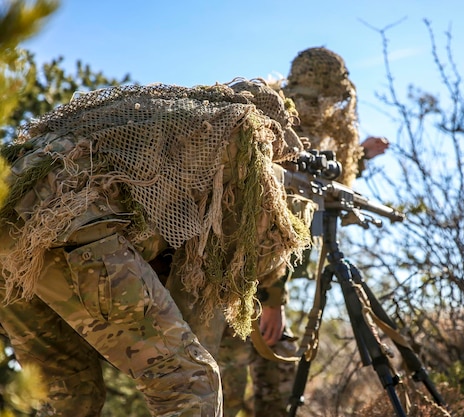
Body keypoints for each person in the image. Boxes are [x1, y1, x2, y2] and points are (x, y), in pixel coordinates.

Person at [0, 82, 308, 417]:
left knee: (68, 396)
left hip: (12, 228)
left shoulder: (163, 119)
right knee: (191, 383)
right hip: (71, 223)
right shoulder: (240, 141)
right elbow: (199, 290)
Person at [218, 46, 390, 417]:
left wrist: (360, 155)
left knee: (275, 378)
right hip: (233, 286)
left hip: (257, 287)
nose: (323, 108)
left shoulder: (299, 129)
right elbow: (261, 226)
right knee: (222, 393)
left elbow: (319, 178)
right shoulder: (277, 127)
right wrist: (273, 301)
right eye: (319, 99)